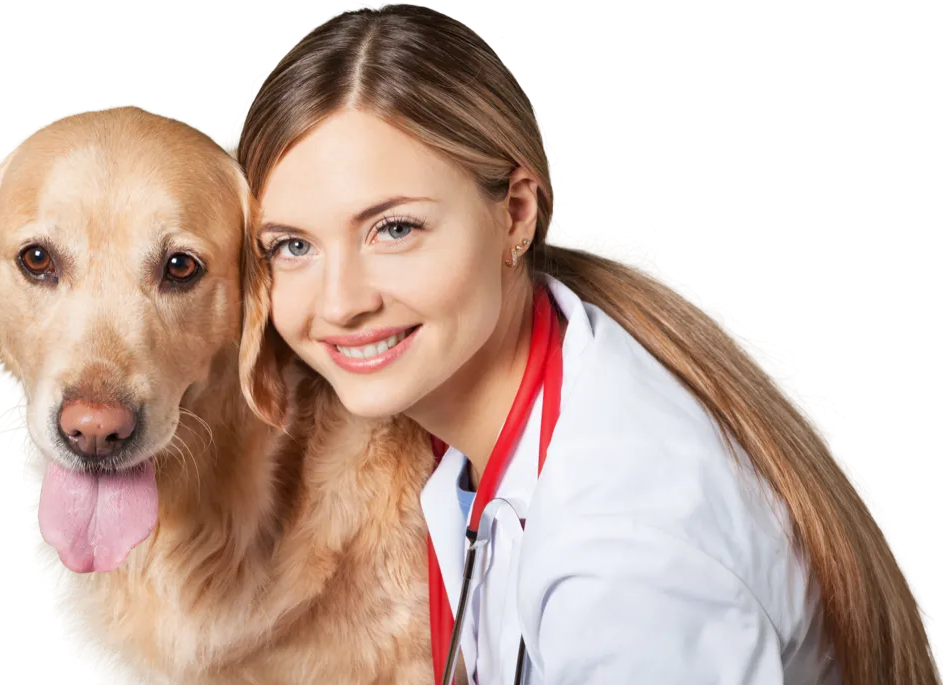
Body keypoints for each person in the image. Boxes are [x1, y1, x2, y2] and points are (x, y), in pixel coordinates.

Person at [234, 3, 939, 684]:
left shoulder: (622, 561)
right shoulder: (527, 388)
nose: (340, 302)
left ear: (515, 213)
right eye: (293, 245)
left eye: (394, 229)